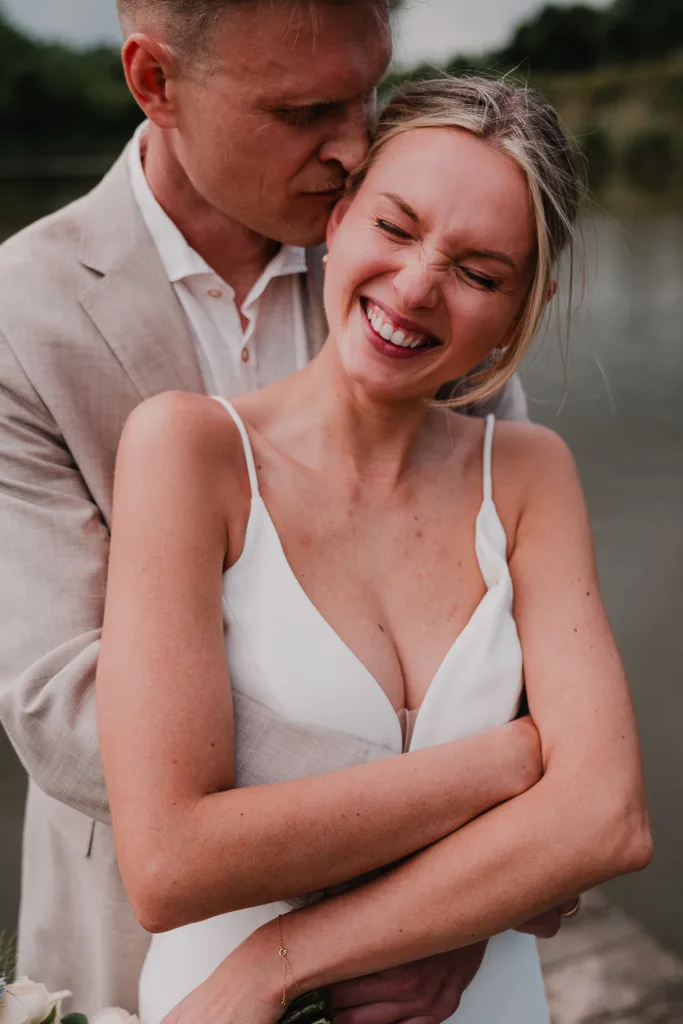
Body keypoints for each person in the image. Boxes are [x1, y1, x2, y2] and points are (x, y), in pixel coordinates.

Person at [0, 0, 527, 1018]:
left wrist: (473, 900)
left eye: (368, 88)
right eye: (305, 109)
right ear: (155, 83)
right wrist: (480, 819)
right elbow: (59, 700)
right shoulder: (19, 320)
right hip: (145, 950)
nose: (355, 144)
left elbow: (518, 603)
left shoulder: (417, 262)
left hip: (441, 968)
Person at [96, 75, 652, 1024]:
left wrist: (276, 963)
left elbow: (606, 816)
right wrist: (511, 765)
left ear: (524, 305)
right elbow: (168, 863)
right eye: (396, 229)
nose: (417, 287)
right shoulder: (188, 452)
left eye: (479, 274)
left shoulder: (526, 475)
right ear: (340, 214)